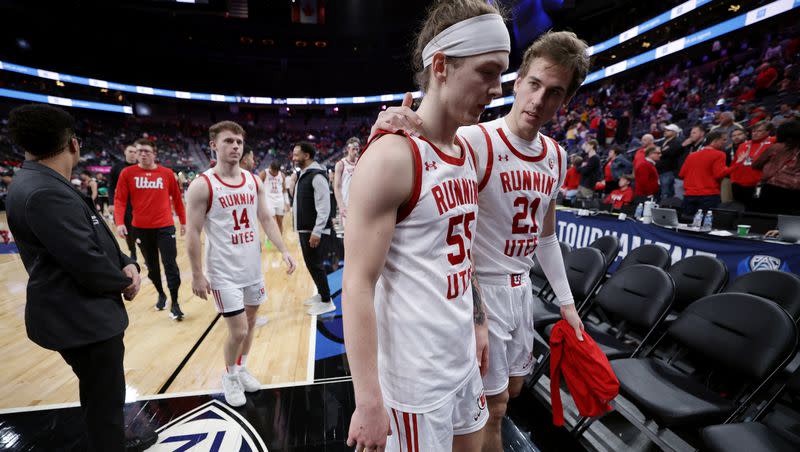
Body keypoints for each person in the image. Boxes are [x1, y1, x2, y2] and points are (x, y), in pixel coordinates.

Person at [366, 27, 588, 451]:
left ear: (566, 100)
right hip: (475, 289)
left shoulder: (556, 156)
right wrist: (388, 122)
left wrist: (566, 302)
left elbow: (546, 237)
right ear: (518, 81)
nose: (539, 100)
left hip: (521, 290)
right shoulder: (476, 139)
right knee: (495, 405)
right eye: (534, 84)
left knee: (514, 391)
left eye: (554, 92)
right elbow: (416, 148)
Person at [344, 3, 511, 450]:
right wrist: (368, 402)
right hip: (416, 381)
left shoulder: (468, 151)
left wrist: (479, 322)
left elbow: (463, 249)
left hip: (461, 357)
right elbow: (357, 283)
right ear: (441, 66)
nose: (498, 89)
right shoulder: (393, 157)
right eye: (488, 72)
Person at [5, 104, 153, 451]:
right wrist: (125, 281)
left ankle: (109, 438)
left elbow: (95, 232)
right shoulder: (45, 191)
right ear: (74, 144)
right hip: (80, 318)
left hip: (76, 314)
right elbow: (85, 260)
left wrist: (127, 260)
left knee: (99, 393)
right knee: (105, 398)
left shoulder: (39, 180)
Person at [186, 121, 296, 407]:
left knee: (249, 324)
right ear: (213, 145)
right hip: (223, 272)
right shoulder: (202, 185)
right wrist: (197, 275)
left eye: (238, 142)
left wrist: (283, 250)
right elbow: (193, 234)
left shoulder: (252, 181)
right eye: (228, 141)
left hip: (252, 268)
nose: (235, 146)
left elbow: (266, 219)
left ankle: (241, 367)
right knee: (238, 331)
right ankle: (229, 376)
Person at [114, 138, 187, 320]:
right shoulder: (127, 173)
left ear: (154, 153)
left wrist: (184, 221)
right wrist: (120, 222)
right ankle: (161, 294)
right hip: (141, 228)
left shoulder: (167, 173)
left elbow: (177, 199)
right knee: (152, 268)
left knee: (171, 265)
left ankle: (175, 302)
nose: (143, 154)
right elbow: (120, 200)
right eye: (139, 151)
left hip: (165, 226)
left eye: (146, 151)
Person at [292, 141, 336, 316]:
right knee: (312, 264)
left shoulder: (317, 176)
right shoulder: (304, 174)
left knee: (316, 265)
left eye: (296, 154)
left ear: (307, 156)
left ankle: (327, 301)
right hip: (306, 229)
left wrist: (317, 231)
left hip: (315, 231)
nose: (293, 157)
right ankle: (321, 294)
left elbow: (324, 207)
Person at [752, 120, 800, 215]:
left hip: (771, 188)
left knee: (766, 218)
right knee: (788, 220)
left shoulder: (776, 147)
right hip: (795, 191)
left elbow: (756, 165)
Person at [679, 130, 729, 215]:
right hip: (709, 196)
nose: (725, 142)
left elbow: (681, 175)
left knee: (685, 224)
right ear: (715, 140)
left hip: (689, 196)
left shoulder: (691, 155)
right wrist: (735, 166)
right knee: (704, 226)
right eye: (723, 140)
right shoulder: (720, 154)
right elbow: (718, 174)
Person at [728, 121, 775, 209]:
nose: (755, 133)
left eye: (759, 131)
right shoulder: (743, 145)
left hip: (757, 185)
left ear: (768, 132)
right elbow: (734, 163)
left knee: (755, 211)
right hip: (738, 185)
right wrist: (733, 179)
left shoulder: (773, 142)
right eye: (753, 131)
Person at [109, 144, 140, 261]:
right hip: (124, 204)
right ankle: (133, 251)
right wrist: (111, 203)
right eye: (130, 151)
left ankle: (146, 254)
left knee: (141, 230)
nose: (133, 154)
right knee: (128, 231)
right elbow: (111, 187)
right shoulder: (117, 168)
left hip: (140, 204)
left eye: (135, 152)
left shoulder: (141, 167)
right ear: (125, 152)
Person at [333, 137, 360, 228]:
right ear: (348, 149)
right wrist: (341, 206)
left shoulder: (360, 162)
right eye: (353, 149)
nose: (356, 151)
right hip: (346, 203)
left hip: (359, 203)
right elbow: (336, 186)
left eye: (357, 149)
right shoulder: (341, 164)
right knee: (348, 232)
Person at [675, 124, 706, 198]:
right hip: (682, 177)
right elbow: (673, 154)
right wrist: (682, 145)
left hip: (696, 179)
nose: (691, 135)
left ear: (702, 133)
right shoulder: (688, 145)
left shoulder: (706, 146)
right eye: (691, 133)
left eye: (694, 133)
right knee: (679, 201)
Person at [262, 161, 289, 236]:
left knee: (280, 222)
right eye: (271, 169)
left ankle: (279, 238)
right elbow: (258, 187)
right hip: (268, 200)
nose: (272, 172)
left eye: (274, 171)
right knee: (271, 222)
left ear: (278, 170)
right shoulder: (264, 173)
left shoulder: (282, 175)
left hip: (279, 200)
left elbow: (284, 189)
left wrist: (287, 203)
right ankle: (268, 238)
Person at [658, 124, 682, 200]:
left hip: (669, 170)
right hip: (661, 171)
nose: (665, 132)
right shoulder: (663, 141)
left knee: (666, 193)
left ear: (674, 132)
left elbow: (669, 152)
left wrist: (661, 152)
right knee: (662, 192)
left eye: (668, 130)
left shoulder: (677, 141)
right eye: (665, 130)